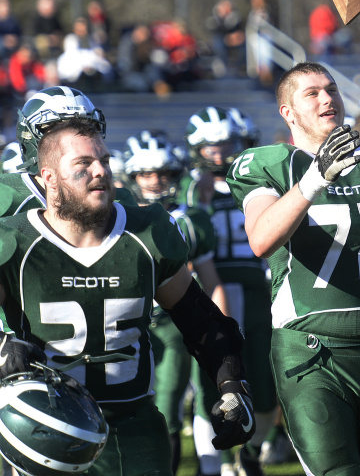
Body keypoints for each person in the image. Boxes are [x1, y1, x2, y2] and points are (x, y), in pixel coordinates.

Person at [0, 117, 254, 475]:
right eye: (83, 164)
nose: (100, 171)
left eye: (103, 160)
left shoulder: (146, 233)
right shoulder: (14, 241)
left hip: (131, 427)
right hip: (43, 423)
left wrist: (231, 384)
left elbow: (201, 320)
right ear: (49, 179)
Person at [226, 62, 360, 475]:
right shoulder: (272, 164)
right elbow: (261, 239)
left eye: (332, 89)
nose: (328, 99)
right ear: (288, 112)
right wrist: (314, 179)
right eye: (312, 93)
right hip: (311, 352)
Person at [180, 106, 278, 476]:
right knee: (214, 383)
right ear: (195, 149)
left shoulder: (257, 176)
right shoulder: (189, 186)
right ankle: (220, 462)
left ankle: (251, 454)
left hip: (259, 287)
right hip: (211, 288)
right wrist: (197, 205)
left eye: (228, 143)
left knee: (267, 384)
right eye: (211, 146)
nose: (220, 153)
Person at [123, 130, 227, 474]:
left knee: (170, 401)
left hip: (173, 322)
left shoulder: (190, 220)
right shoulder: (113, 218)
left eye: (163, 173)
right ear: (131, 176)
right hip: (124, 323)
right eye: (146, 173)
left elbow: (212, 282)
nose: (155, 181)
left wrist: (223, 334)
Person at [0, 86, 138, 215]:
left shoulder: (119, 203)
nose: (76, 139)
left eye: (86, 128)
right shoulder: (5, 196)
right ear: (29, 137)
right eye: (60, 130)